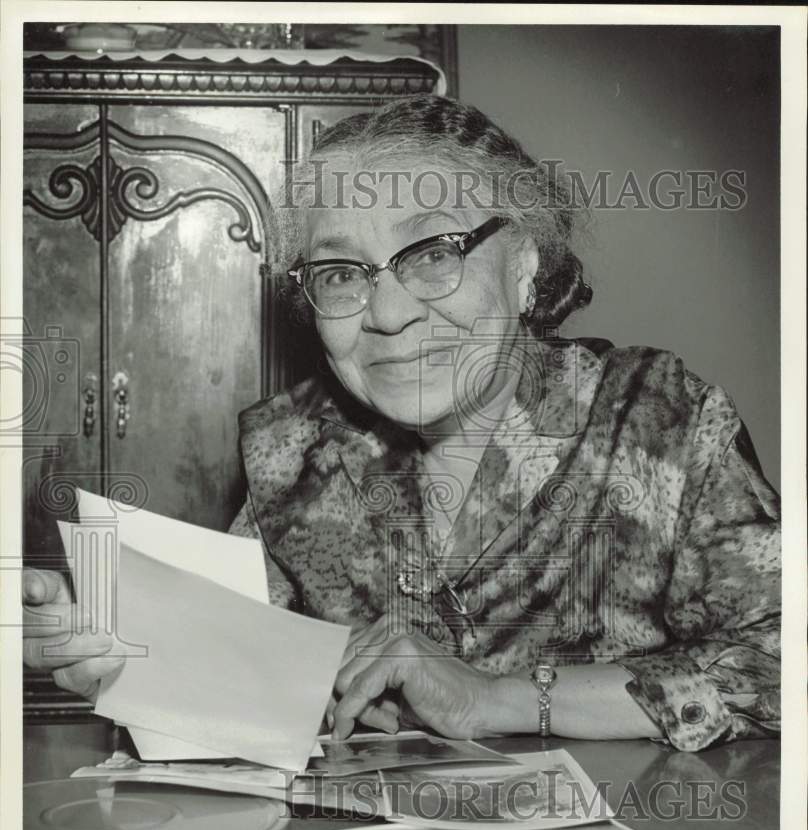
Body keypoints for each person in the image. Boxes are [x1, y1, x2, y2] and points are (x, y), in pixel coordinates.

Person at [22, 96, 780, 753]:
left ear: (523, 266)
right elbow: (242, 674)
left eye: (432, 254)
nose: (386, 314)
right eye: (343, 275)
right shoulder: (298, 454)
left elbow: (786, 660)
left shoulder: (658, 423)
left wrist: (495, 697)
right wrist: (127, 653)